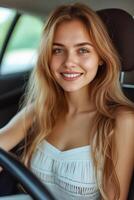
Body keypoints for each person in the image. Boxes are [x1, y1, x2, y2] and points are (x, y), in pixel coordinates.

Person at [0, 3, 134, 200]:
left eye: (83, 50)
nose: (69, 62)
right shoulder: (41, 109)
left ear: (101, 57)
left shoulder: (122, 120)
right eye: (57, 50)